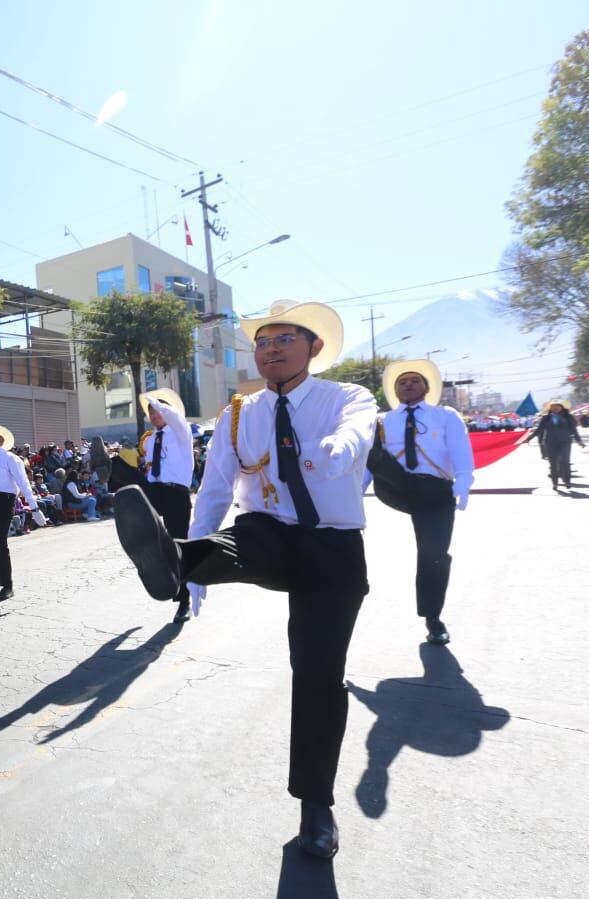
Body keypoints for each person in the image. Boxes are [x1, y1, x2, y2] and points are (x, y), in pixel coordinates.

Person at [111, 299, 375, 859]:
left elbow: (357, 432)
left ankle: (316, 808)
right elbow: (215, 489)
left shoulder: (346, 398)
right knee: (243, 537)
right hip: (269, 533)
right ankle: (177, 559)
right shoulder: (238, 413)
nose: (271, 350)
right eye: (263, 341)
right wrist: (194, 570)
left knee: (318, 678)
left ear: (314, 348)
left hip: (332, 548)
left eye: (284, 339)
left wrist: (335, 452)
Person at [366, 360, 475, 645]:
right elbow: (370, 463)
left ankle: (433, 617)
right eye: (402, 382)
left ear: (427, 388)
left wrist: (463, 482)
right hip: (397, 487)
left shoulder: (445, 415)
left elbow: (460, 449)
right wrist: (352, 496)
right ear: (395, 391)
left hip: (435, 491)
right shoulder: (382, 421)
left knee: (434, 555)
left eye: (415, 380)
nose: (408, 385)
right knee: (375, 453)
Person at [137, 388, 197, 623]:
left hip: (177, 494)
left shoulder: (181, 431)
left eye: (157, 411)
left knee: (178, 546)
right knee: (126, 476)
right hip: (156, 490)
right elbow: (152, 468)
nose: (153, 415)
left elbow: (174, 416)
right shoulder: (151, 440)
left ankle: (184, 601)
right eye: (150, 413)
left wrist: (152, 399)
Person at [0, 425, 46, 601]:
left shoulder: (11, 459)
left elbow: (24, 484)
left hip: (4, 501)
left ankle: (7, 585)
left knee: (0, 542)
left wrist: (34, 508)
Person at [529, 399, 585, 489]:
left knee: (565, 462)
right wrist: (528, 439)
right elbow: (539, 429)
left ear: (561, 407)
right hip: (550, 443)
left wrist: (579, 441)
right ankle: (555, 483)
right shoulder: (546, 418)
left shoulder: (568, 417)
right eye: (553, 407)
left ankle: (567, 481)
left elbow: (574, 430)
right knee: (553, 464)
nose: (555, 408)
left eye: (557, 406)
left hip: (565, 442)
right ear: (550, 408)